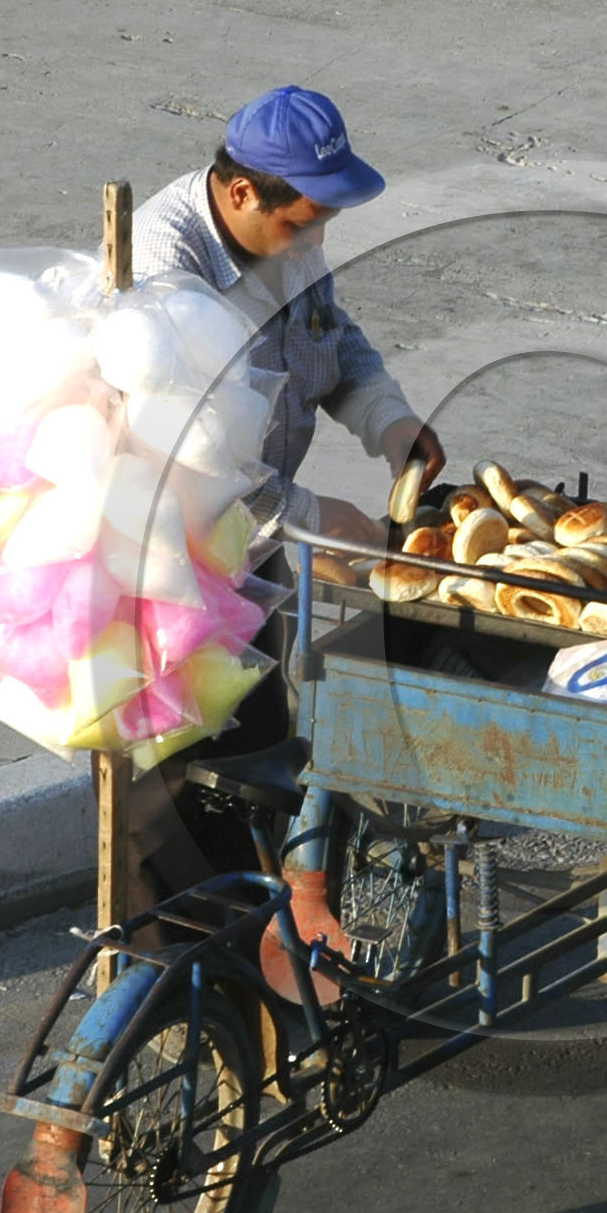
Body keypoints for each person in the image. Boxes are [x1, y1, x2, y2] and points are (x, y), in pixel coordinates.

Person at [125, 83, 445, 913]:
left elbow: (333, 339)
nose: (313, 239)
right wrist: (309, 518)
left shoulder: (285, 233)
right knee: (183, 794)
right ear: (240, 193)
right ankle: (177, 994)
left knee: (260, 767)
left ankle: (257, 973)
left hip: (250, 563)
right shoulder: (167, 271)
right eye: (302, 222)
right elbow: (189, 453)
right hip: (168, 572)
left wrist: (388, 420)